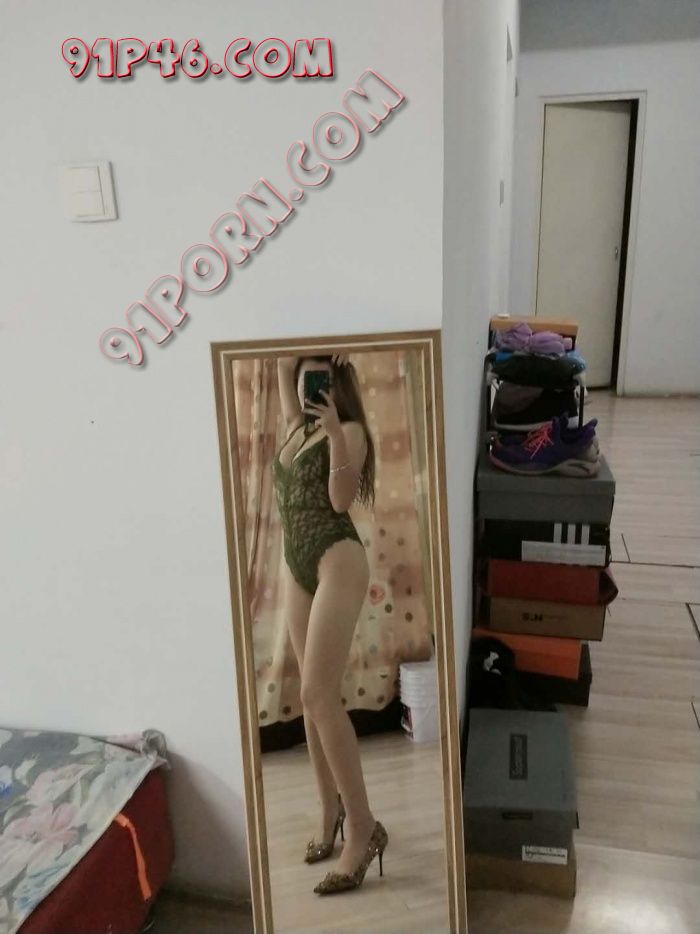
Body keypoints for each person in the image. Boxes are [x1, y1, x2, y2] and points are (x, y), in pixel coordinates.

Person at [272, 352, 388, 895]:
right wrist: (298, 356)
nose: (305, 390)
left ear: (335, 382)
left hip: (336, 557)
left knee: (320, 694)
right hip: (296, 562)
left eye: (316, 381)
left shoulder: (353, 431)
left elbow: (340, 501)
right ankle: (329, 812)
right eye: (301, 380)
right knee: (308, 696)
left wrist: (338, 434)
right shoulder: (295, 427)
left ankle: (363, 827)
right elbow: (282, 362)